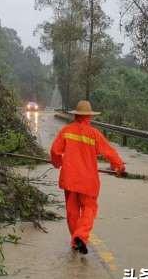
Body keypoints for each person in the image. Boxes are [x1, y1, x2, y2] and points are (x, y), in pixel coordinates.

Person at [50, 100, 125, 254]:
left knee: (72, 211)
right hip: (88, 181)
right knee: (89, 209)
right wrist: (119, 166)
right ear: (89, 117)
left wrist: (58, 163)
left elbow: (55, 151)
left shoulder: (66, 131)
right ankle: (80, 236)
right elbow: (109, 152)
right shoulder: (94, 134)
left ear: (76, 115)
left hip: (70, 178)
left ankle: (75, 240)